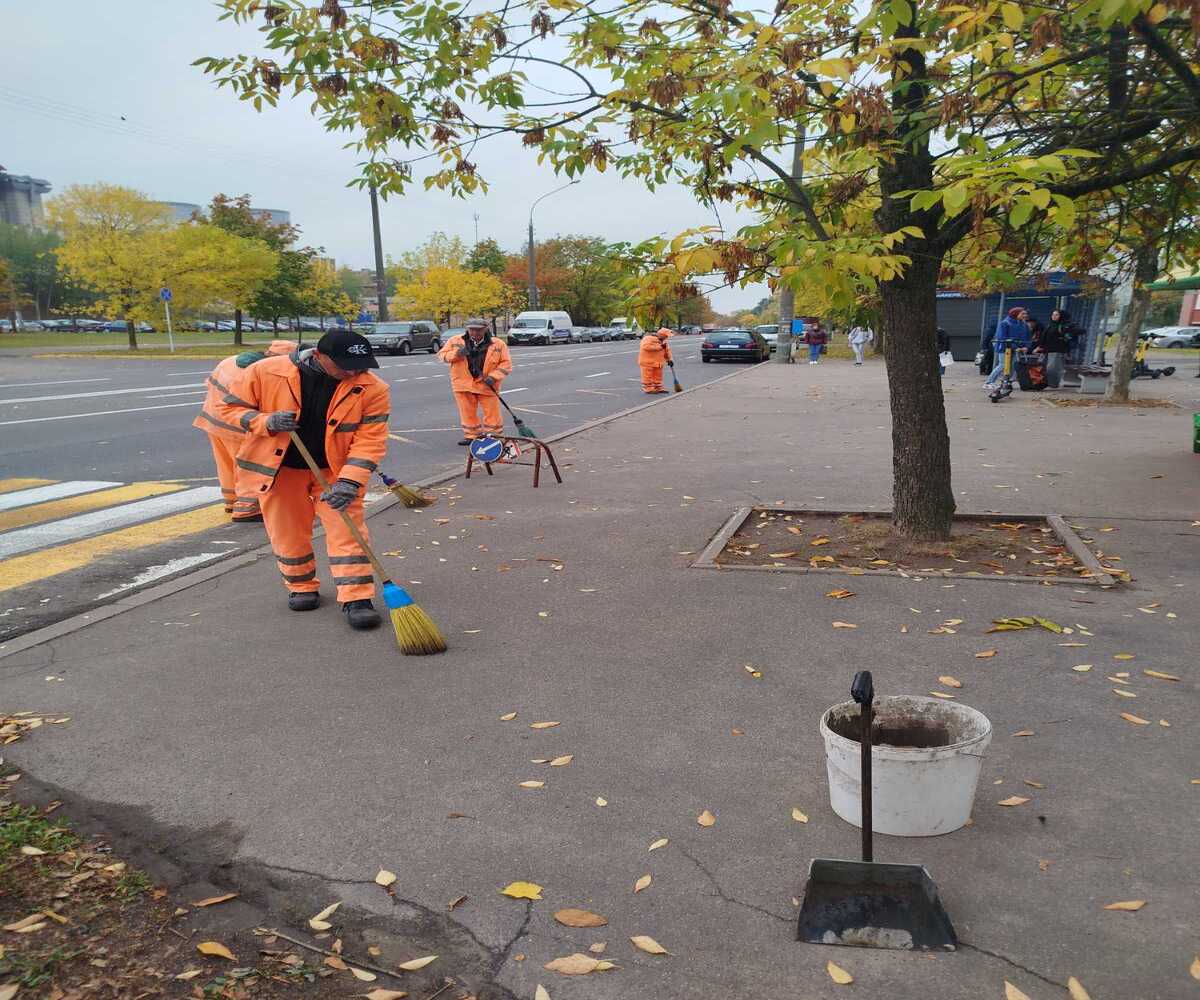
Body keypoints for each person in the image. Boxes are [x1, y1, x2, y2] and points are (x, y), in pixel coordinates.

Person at [217, 331, 389, 630]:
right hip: (281, 467)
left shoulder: (372, 388)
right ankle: (301, 586)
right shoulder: (266, 371)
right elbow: (228, 409)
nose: (353, 372)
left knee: (347, 530)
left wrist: (349, 482)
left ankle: (357, 597)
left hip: (335, 471)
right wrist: (265, 422)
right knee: (288, 531)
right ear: (319, 356)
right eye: (345, 365)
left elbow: (370, 441)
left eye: (360, 365)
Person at [193, 339, 295, 522]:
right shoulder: (258, 373)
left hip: (212, 421)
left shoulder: (229, 362)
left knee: (225, 465)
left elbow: (208, 384)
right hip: (236, 425)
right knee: (248, 465)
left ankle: (232, 502)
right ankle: (247, 508)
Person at [438, 317, 513, 444]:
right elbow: (442, 356)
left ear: (485, 329)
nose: (475, 333)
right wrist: (457, 354)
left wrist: (493, 377)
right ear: (467, 329)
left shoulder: (498, 344)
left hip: (487, 384)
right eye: (472, 330)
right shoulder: (455, 341)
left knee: (492, 412)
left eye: (478, 330)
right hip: (463, 383)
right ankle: (471, 435)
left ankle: (493, 435)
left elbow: (506, 364)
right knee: (467, 411)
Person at [984, 308, 1030, 389]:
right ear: (1015, 314)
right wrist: (1015, 347)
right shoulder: (1005, 323)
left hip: (1016, 349)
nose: (1025, 316)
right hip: (1004, 348)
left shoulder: (1023, 324)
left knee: (1012, 366)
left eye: (1025, 314)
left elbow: (1025, 337)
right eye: (1022, 314)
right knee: (1003, 365)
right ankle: (989, 382)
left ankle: (1007, 382)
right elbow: (1002, 337)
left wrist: (1025, 346)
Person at [1040, 309, 1077, 388]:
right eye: (1053, 314)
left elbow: (1069, 337)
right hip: (1047, 350)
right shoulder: (1050, 325)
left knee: (1053, 368)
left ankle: (1053, 384)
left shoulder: (1063, 326)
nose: (1054, 316)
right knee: (1045, 367)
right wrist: (1040, 347)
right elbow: (1045, 337)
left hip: (1057, 350)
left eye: (1056, 315)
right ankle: (1046, 383)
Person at [638, 326, 673, 393]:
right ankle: (648, 389)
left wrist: (669, 360)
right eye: (666, 336)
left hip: (658, 362)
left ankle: (658, 387)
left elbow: (667, 351)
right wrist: (660, 347)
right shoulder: (648, 338)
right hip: (647, 362)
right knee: (647, 376)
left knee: (658, 376)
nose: (667, 337)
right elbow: (646, 347)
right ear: (661, 335)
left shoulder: (663, 341)